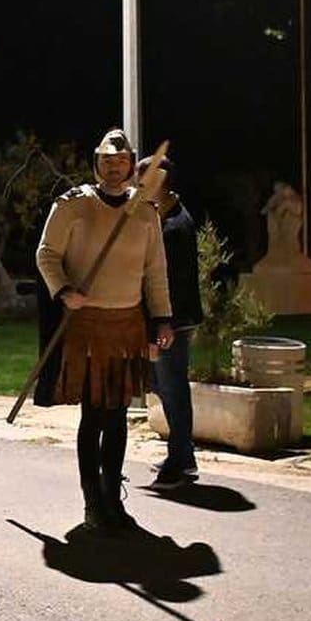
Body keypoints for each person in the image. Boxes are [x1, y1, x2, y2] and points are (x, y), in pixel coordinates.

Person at [35, 129, 173, 533]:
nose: (115, 170)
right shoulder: (73, 205)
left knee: (116, 417)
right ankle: (92, 503)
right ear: (97, 166)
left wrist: (162, 318)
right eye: (107, 163)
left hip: (127, 325)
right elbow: (47, 254)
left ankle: (114, 498)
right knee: (94, 415)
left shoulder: (145, 212)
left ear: (132, 165)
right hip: (88, 325)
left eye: (122, 163)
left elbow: (155, 272)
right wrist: (63, 290)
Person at [137, 155, 202, 490]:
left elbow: (168, 282)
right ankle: (181, 454)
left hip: (172, 322)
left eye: (142, 177)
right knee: (165, 388)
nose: (137, 183)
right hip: (171, 320)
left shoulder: (173, 226)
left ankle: (180, 462)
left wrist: (158, 325)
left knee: (173, 390)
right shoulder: (163, 218)